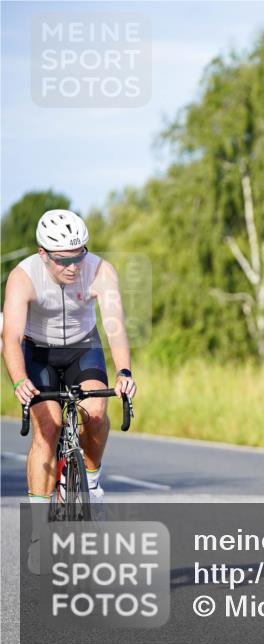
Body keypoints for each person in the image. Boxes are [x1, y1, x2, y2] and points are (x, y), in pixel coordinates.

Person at [2, 210, 138, 522]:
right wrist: (20, 380)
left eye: (79, 255)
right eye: (63, 260)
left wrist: (124, 372)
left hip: (82, 347)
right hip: (38, 353)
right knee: (48, 429)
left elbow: (115, 326)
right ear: (43, 254)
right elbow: (11, 337)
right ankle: (37, 528)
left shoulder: (101, 271)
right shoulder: (23, 277)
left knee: (95, 412)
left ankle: (91, 482)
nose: (74, 266)